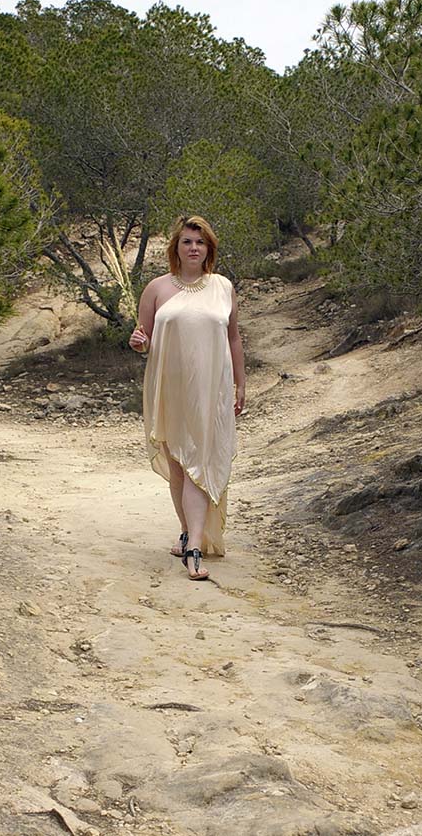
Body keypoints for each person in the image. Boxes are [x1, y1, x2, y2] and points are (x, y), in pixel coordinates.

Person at [129, 215, 245, 582]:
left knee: (199, 460)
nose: (194, 248)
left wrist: (241, 384)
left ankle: (194, 546)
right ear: (176, 248)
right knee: (178, 465)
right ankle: (186, 530)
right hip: (169, 386)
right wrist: (138, 342)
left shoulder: (223, 287)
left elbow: (233, 338)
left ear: (209, 248)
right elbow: (144, 340)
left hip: (211, 389)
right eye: (187, 242)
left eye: (200, 242)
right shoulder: (157, 289)